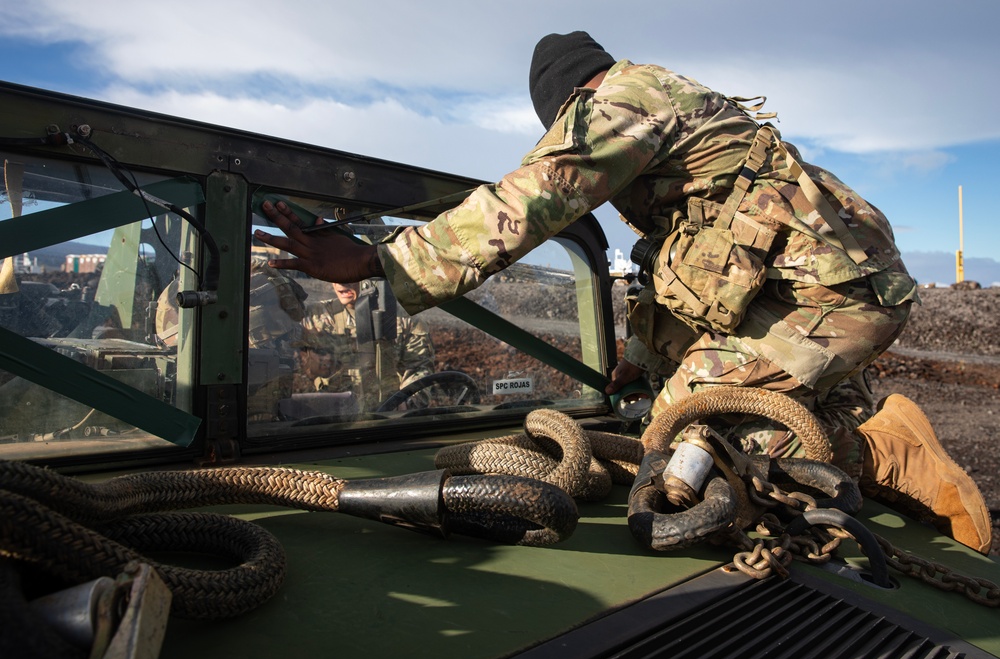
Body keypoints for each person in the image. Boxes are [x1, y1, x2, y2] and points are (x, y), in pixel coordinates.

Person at [255, 32, 991, 553]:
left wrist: (382, 262)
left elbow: (533, 198)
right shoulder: (662, 124)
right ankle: (848, 437)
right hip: (812, 290)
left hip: (832, 296)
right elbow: (673, 262)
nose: (564, 138)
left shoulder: (622, 100)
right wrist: (638, 354)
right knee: (691, 399)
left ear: (567, 103)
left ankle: (886, 451)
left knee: (684, 425)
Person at [293, 279, 436, 411]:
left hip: (387, 417)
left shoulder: (407, 322)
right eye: (335, 275)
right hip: (334, 417)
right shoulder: (316, 317)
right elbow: (282, 347)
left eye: (349, 275)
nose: (341, 283)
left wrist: (405, 403)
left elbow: (419, 369)